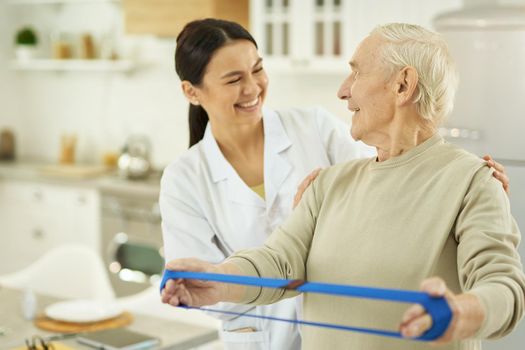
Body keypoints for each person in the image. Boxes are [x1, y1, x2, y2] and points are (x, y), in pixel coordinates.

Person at [161, 23, 525, 350]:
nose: (342, 91)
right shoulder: (330, 183)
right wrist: (218, 279)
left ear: (402, 84)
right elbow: (277, 261)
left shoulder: (471, 181)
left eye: (355, 73)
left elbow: (504, 287)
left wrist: (461, 312)